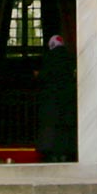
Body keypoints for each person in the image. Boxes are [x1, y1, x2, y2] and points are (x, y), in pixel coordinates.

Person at [35, 33, 76, 162]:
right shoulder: (70, 57)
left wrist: (38, 75)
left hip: (51, 100)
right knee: (65, 128)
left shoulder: (49, 57)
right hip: (67, 99)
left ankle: (51, 154)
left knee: (51, 128)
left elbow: (45, 76)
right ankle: (66, 153)